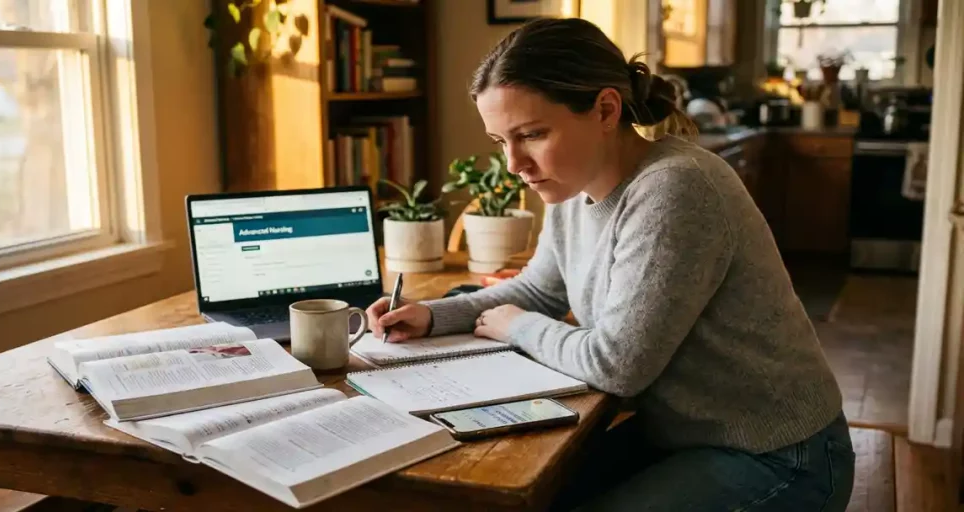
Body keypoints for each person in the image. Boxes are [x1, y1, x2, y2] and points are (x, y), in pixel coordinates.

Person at [365, 17, 854, 511]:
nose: (514, 163)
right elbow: (538, 291)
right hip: (684, 437)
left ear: (605, 109)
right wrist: (432, 314)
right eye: (500, 141)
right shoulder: (569, 192)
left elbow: (617, 366)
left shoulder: (675, 187)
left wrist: (518, 328)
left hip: (780, 455)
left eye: (531, 134)